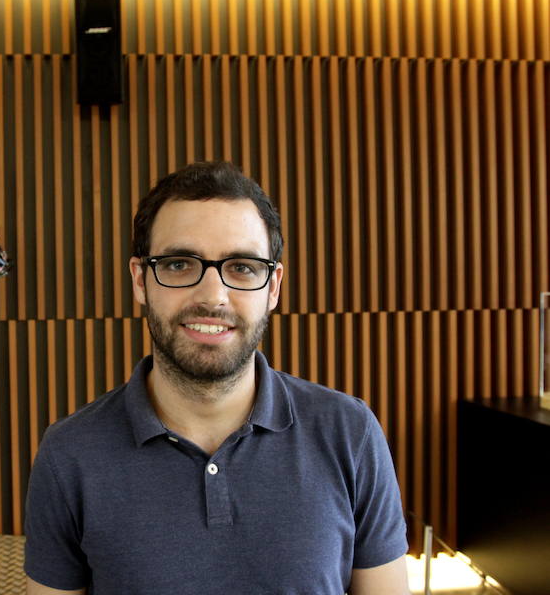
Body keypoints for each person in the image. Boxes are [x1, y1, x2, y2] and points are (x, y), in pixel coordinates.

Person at [24, 162, 410, 594]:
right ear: (140, 280)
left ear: (274, 287)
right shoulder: (69, 455)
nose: (212, 296)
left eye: (242, 267)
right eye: (178, 264)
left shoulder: (349, 432)